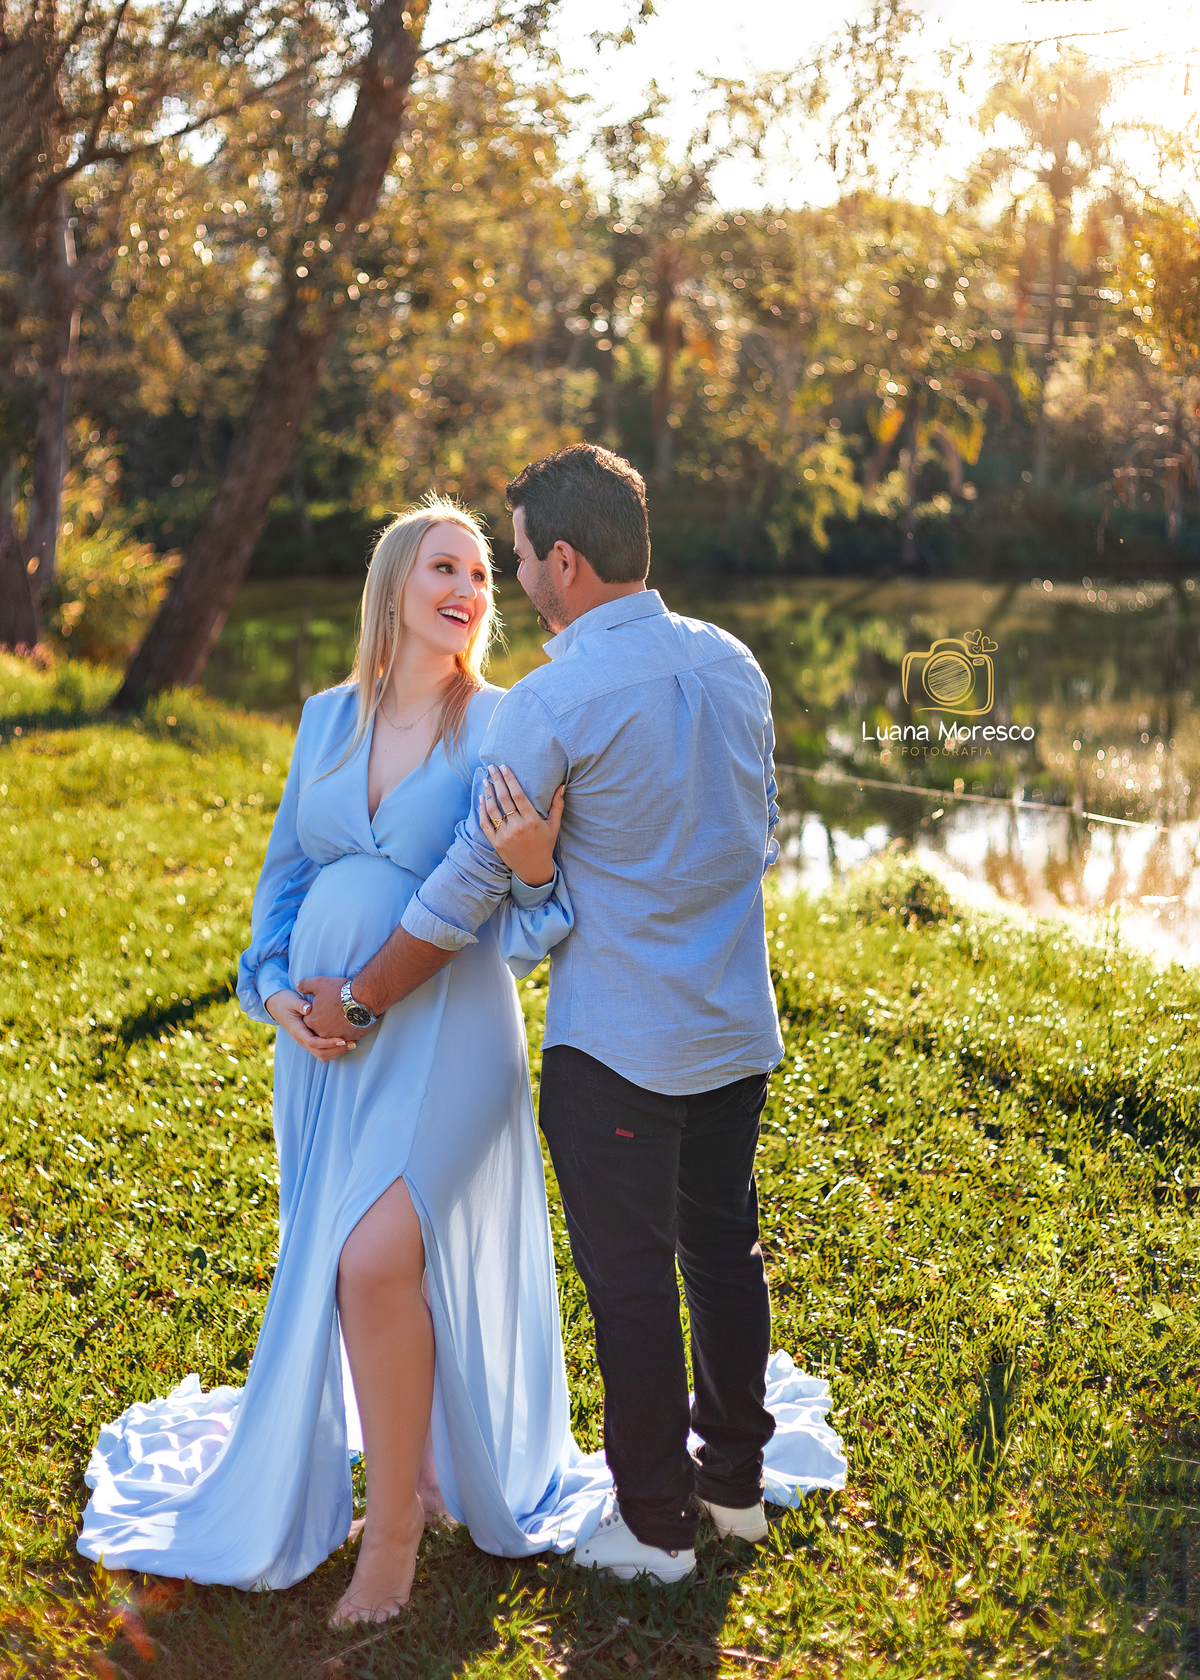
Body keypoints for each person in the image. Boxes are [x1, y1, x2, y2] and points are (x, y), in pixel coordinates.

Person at [300, 445, 846, 1585]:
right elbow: (763, 829)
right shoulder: (733, 662)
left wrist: (360, 998)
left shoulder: (553, 699)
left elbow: (461, 890)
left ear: (564, 559)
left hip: (619, 1048)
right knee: (724, 1255)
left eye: (517, 558)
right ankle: (734, 1490)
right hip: (735, 1030)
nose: (514, 579)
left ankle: (654, 1525)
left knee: (635, 1281)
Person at [77, 499, 612, 1620]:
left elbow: (534, 917)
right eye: (445, 568)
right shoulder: (326, 719)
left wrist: (533, 862)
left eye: (482, 572)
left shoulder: (506, 724)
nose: (471, 589)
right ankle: (407, 1467)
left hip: (449, 1037)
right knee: (354, 1264)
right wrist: (276, 996)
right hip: (319, 1051)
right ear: (393, 588)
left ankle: (397, 1537)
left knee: (371, 1262)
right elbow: (280, 884)